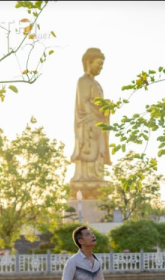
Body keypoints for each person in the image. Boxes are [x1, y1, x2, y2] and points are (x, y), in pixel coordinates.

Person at [70, 48, 111, 182]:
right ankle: (86, 179)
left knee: (98, 155)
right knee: (89, 154)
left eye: (102, 64)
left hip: (98, 125)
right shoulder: (83, 81)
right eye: (98, 63)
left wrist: (106, 106)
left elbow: (95, 103)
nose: (101, 67)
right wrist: (93, 118)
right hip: (89, 125)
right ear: (88, 62)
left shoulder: (97, 84)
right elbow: (84, 103)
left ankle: (97, 177)